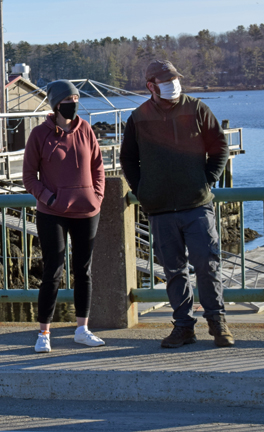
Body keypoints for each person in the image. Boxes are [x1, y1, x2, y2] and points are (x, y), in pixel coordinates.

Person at [120, 60, 232, 348]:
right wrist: (143, 191)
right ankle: (183, 327)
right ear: (151, 85)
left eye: (175, 79)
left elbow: (219, 147)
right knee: (174, 271)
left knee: (207, 264)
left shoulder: (196, 108)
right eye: (166, 80)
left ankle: (218, 324)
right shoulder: (138, 117)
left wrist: (206, 180)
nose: (173, 84)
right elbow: (129, 160)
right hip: (160, 209)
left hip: (196, 204)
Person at [23, 80, 106, 353]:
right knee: (53, 271)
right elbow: (28, 177)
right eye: (69, 99)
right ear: (57, 104)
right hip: (52, 213)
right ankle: (44, 333)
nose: (74, 104)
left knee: (84, 271)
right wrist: (50, 198)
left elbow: (98, 167)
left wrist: (97, 197)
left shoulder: (87, 131)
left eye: (76, 99)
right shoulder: (39, 134)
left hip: (87, 211)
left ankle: (82, 329)